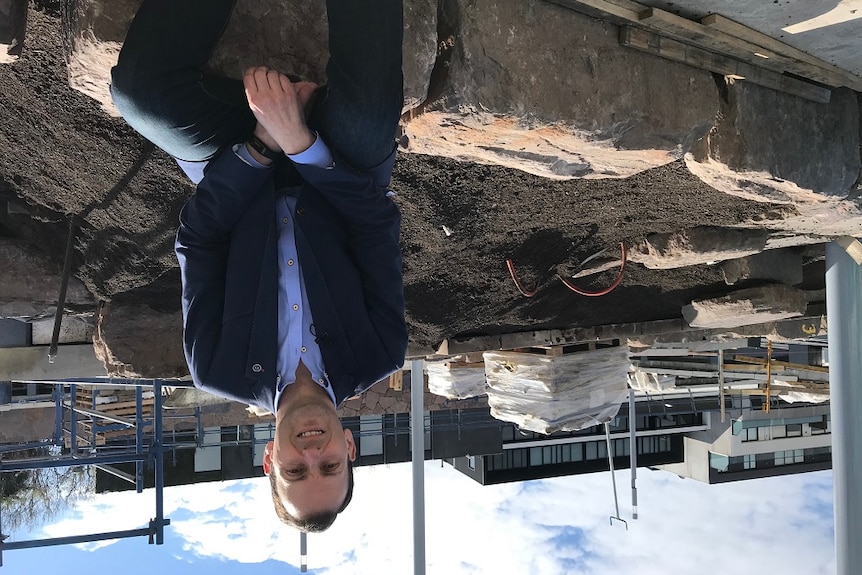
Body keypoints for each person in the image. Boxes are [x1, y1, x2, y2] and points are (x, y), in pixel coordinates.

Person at [110, 0, 407, 532]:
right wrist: (301, 144)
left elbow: (200, 239)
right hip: (338, 167)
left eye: (296, 471)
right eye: (330, 466)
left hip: (237, 168)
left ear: (270, 459)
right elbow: (374, 225)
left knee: (141, 96)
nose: (311, 453)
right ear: (350, 447)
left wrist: (262, 146)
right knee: (372, 112)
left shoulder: (218, 367)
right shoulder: (379, 352)